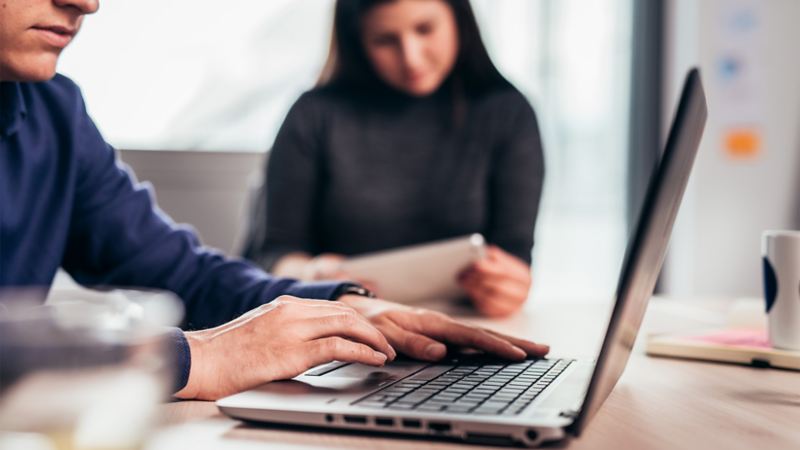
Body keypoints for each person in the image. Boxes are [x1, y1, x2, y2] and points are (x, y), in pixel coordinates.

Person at [0, 0, 550, 401]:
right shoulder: (318, 114)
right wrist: (200, 355)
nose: (87, 3)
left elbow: (184, 273)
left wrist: (344, 307)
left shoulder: (54, 112)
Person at [243, 0, 545, 318]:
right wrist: (313, 274)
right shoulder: (313, 115)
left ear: (459, 19)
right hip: (340, 326)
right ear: (357, 40)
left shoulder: (509, 113)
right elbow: (272, 254)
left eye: (425, 29)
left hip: (468, 327)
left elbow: (515, 256)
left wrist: (509, 286)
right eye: (385, 40)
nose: (411, 57)